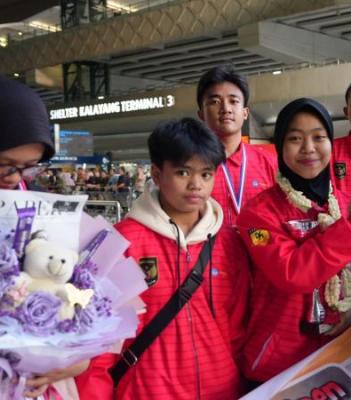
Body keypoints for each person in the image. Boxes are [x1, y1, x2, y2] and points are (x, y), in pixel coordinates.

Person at [75, 118, 251, 399]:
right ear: (157, 174)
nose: (196, 185)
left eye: (206, 174)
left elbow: (239, 330)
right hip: (147, 392)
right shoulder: (121, 243)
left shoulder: (228, 242)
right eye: (183, 172)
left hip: (222, 389)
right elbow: (99, 344)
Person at [236, 98, 351, 383]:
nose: (308, 148)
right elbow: (291, 273)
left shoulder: (346, 204)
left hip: (338, 356)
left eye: (319, 137)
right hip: (276, 366)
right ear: (279, 146)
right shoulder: (257, 216)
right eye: (295, 139)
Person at [0, 76, 90, 398]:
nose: (15, 179)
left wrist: (75, 358)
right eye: (5, 165)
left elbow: (78, 293)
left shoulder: (41, 212)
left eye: (29, 168)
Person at [196, 65, 277, 227]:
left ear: (245, 112)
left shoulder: (270, 162)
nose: (226, 109)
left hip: (259, 251)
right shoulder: (190, 166)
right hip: (207, 252)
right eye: (215, 102)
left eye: (233, 101)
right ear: (201, 115)